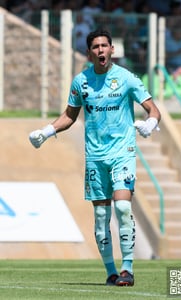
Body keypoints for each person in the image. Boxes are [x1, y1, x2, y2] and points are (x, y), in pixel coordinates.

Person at [29, 28, 161, 287]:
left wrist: (151, 122)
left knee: (122, 207)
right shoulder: (81, 81)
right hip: (95, 157)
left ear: (112, 49)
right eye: (96, 47)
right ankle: (111, 272)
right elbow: (70, 115)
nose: (101, 50)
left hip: (122, 152)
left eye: (104, 46)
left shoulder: (126, 78)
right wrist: (45, 132)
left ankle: (127, 269)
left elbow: (152, 108)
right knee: (101, 217)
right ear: (89, 53)